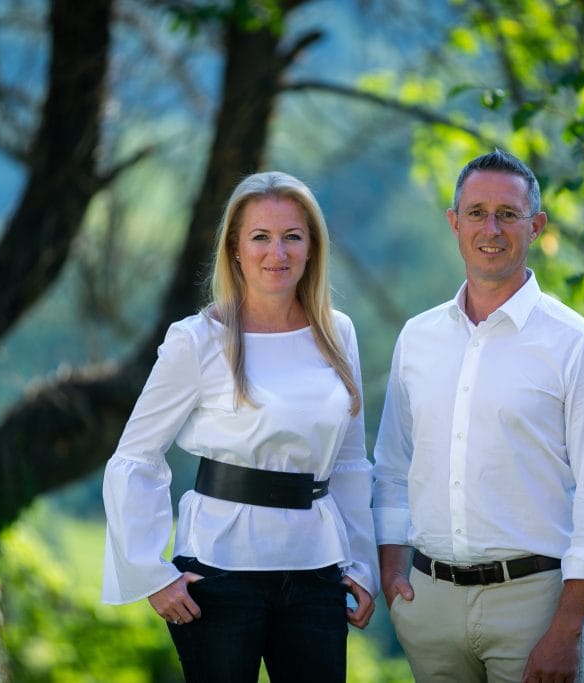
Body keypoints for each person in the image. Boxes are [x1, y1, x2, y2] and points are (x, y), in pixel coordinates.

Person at [101, 171, 378, 683]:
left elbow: (349, 462)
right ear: (234, 248)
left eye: (293, 236)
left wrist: (363, 565)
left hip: (317, 569)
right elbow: (135, 456)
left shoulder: (338, 333)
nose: (278, 252)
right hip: (220, 568)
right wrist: (150, 573)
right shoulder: (197, 339)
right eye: (261, 237)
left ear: (313, 247)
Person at [372, 149, 584, 683]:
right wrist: (391, 572)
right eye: (476, 212)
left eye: (508, 214)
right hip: (429, 605)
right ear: (454, 223)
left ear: (535, 226)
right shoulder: (417, 339)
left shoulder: (580, 346)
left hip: (535, 608)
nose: (491, 228)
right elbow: (392, 467)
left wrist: (567, 630)